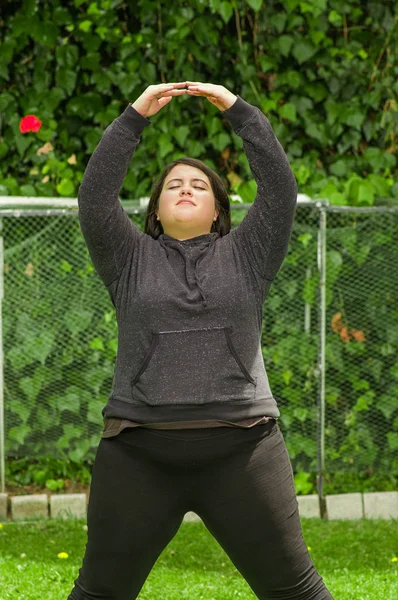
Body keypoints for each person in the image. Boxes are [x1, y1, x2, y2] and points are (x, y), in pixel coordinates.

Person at [68, 81, 334, 600]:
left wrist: (238, 111)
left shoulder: (250, 253)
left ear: (216, 210)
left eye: (198, 184)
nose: (186, 188)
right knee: (99, 592)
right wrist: (132, 119)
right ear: (155, 210)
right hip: (138, 453)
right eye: (173, 185)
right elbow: (95, 196)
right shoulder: (128, 258)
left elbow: (279, 188)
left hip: (244, 450)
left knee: (296, 592)